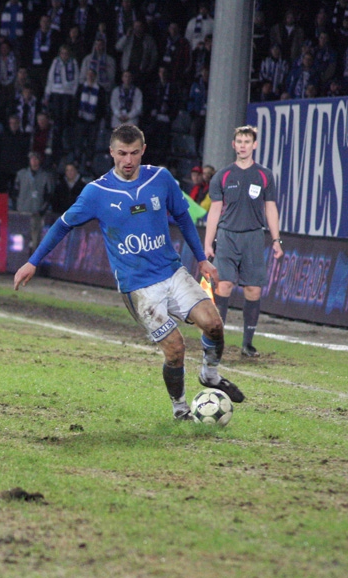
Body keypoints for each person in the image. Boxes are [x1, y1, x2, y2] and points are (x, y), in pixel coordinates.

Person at [15, 124, 243, 421]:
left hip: (172, 272)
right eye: (121, 153)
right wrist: (33, 261)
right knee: (175, 349)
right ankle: (180, 409)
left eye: (134, 153)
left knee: (214, 324)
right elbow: (62, 225)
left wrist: (201, 259)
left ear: (143, 151)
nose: (128, 160)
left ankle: (210, 375)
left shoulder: (160, 179)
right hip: (138, 288)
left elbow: (184, 217)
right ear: (111, 152)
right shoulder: (96, 192)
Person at [203, 125, 284, 359]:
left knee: (253, 289)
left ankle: (247, 344)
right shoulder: (223, 175)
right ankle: (216, 342)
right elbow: (214, 212)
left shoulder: (264, 175)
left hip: (254, 237)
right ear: (233, 144)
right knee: (224, 285)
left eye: (247, 141)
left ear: (254, 145)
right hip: (227, 236)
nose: (242, 145)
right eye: (239, 141)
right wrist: (208, 243)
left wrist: (276, 240)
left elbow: (271, 208)